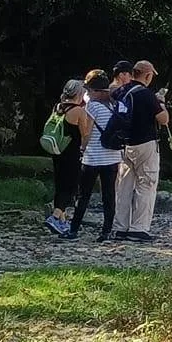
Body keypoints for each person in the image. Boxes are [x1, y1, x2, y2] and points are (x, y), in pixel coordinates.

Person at [65, 70, 122, 242]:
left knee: (84, 195)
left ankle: (73, 230)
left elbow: (87, 132)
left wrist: (82, 148)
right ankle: (106, 232)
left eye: (89, 90)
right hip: (113, 156)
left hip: (93, 157)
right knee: (109, 195)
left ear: (94, 90)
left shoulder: (91, 107)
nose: (87, 93)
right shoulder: (114, 104)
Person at [115, 60, 168, 242]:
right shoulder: (147, 95)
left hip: (124, 144)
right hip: (145, 143)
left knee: (123, 187)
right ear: (147, 75)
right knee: (146, 184)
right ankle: (139, 228)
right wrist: (161, 103)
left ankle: (120, 227)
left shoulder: (122, 91)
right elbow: (163, 120)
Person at [43, 79, 85, 237]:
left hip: (58, 150)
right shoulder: (78, 111)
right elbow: (85, 133)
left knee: (60, 183)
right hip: (72, 152)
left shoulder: (58, 107)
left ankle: (61, 221)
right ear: (79, 93)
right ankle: (55, 217)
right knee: (71, 186)